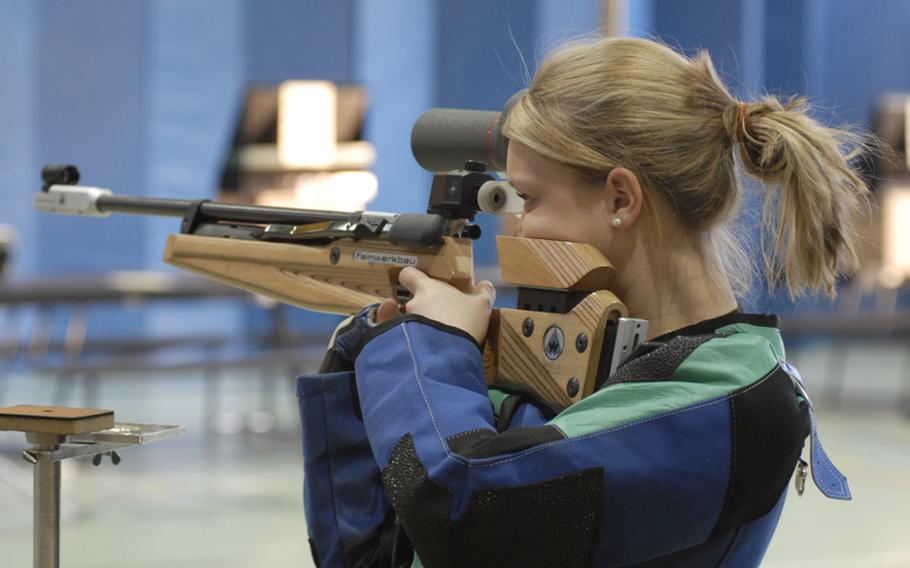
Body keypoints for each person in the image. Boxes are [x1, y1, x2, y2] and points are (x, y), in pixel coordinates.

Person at [297, 36, 864, 568]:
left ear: (621, 197)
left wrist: (427, 348)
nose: (518, 227)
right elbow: (374, 550)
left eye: (531, 198)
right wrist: (363, 351)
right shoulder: (591, 360)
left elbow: (461, 512)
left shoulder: (724, 402)